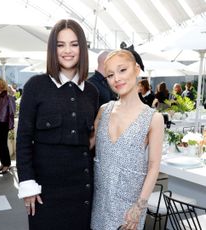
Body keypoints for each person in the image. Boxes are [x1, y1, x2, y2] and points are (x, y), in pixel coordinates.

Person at [16, 19, 99, 230]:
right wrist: (28, 184)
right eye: (60, 45)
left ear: (82, 48)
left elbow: (92, 141)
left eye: (74, 44)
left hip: (82, 190)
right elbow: (23, 139)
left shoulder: (91, 92)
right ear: (53, 49)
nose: (67, 51)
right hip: (45, 192)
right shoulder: (35, 86)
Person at [90, 49, 164, 230]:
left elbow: (154, 166)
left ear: (136, 69)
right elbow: (87, 146)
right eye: (110, 74)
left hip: (130, 208)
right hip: (99, 203)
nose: (117, 78)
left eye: (122, 70)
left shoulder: (153, 118)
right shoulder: (103, 110)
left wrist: (139, 206)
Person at [0, 78, 16, 174]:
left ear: (1, 86)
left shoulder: (8, 97)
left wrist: (10, 125)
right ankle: (3, 163)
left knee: (3, 145)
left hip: (4, 123)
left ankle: (7, 165)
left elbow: (12, 112)